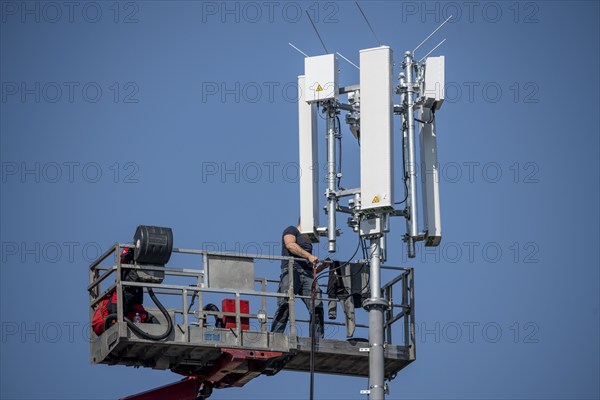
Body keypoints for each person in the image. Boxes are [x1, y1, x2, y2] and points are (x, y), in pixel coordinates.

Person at [271, 222, 326, 338]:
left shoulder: (308, 240)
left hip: (307, 274)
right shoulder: (291, 230)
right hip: (292, 269)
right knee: (285, 303)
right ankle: (275, 336)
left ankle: (317, 340)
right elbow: (290, 245)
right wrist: (309, 256)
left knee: (317, 306)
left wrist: (323, 266)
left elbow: (310, 267)